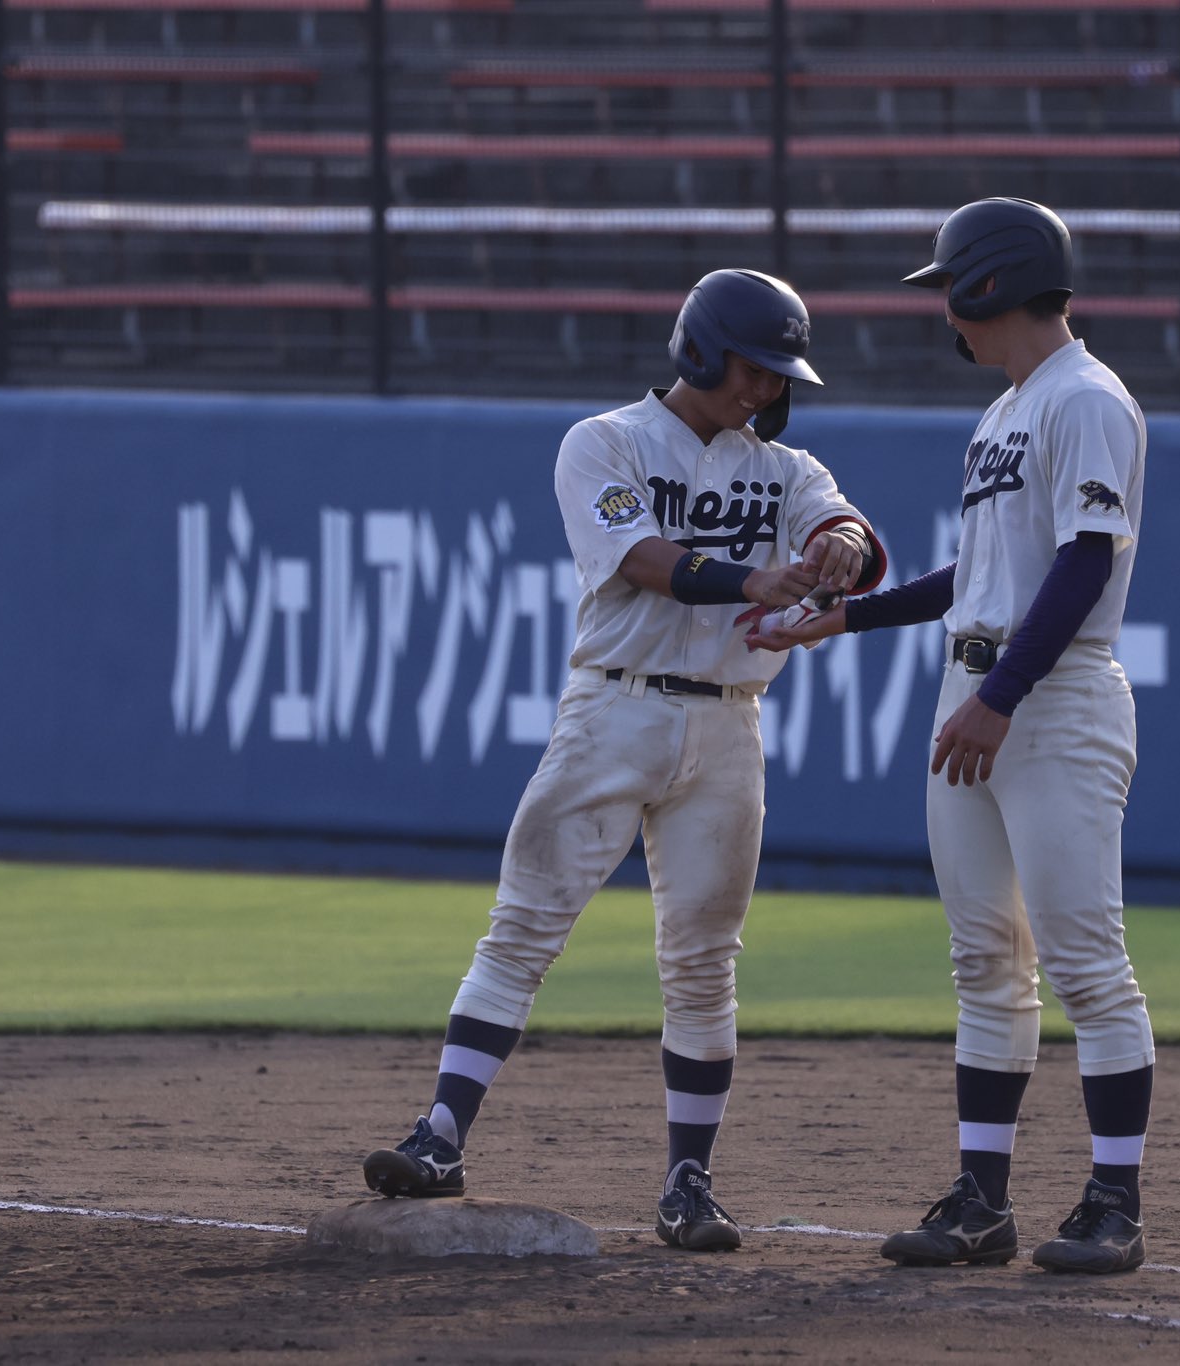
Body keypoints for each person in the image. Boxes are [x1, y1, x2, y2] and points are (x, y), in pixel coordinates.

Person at [364, 268, 885, 1253]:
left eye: (777, 375)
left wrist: (843, 553)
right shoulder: (600, 442)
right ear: (698, 348)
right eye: (751, 367)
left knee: (701, 960)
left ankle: (689, 1180)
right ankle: (439, 1136)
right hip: (614, 706)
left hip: (729, 725)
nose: (763, 390)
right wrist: (754, 575)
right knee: (525, 923)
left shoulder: (786, 469)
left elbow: (842, 524)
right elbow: (642, 557)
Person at [746, 199, 1153, 1274]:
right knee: (983, 959)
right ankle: (980, 1199)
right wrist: (850, 615)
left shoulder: (1085, 399)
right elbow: (974, 579)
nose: (946, 315)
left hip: (1048, 699)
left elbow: (1083, 564)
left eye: (949, 291)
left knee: (1082, 960)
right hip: (979, 693)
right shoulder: (1007, 410)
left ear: (991, 284)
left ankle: (1114, 1201)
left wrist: (1002, 695)